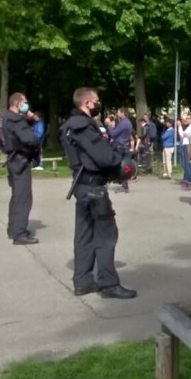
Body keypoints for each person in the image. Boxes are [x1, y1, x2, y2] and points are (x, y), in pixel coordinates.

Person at [60, 87, 136, 299]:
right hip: (93, 186)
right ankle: (108, 283)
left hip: (81, 185)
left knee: (84, 233)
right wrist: (118, 157)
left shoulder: (68, 127)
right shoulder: (83, 126)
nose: (98, 105)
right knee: (106, 234)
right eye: (96, 102)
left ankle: (83, 280)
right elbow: (103, 157)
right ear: (87, 104)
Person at [2, 93, 40, 245]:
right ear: (17, 103)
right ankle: (19, 233)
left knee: (17, 196)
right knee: (23, 198)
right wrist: (35, 139)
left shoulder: (7, 118)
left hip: (13, 159)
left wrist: (28, 120)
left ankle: (13, 228)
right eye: (24, 102)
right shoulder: (17, 119)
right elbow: (28, 138)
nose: (26, 105)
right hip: (20, 160)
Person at [106, 108, 133, 193]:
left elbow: (113, 134)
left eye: (118, 113)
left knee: (113, 164)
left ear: (122, 113)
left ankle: (105, 182)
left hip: (120, 146)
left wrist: (109, 125)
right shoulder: (128, 122)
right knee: (123, 166)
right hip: (125, 146)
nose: (117, 114)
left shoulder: (123, 123)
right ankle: (124, 186)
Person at [178, 116, 191, 189]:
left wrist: (179, 126)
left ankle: (188, 180)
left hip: (188, 145)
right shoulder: (189, 127)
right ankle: (186, 179)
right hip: (185, 145)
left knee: (187, 164)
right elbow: (183, 135)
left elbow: (182, 135)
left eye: (188, 118)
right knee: (185, 163)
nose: (186, 120)